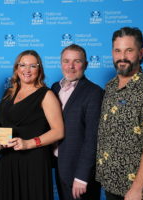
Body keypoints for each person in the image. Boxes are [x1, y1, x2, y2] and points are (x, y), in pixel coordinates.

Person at [96, 27, 143, 200]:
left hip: (136, 191)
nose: (122, 57)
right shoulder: (110, 87)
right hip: (112, 183)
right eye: (118, 50)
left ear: (141, 53)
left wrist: (137, 188)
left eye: (129, 50)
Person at [0, 50, 64, 200]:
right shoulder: (9, 93)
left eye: (32, 66)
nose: (27, 70)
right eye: (23, 65)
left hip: (33, 161)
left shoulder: (46, 95)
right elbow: (3, 125)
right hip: (7, 161)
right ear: (16, 68)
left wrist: (28, 143)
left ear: (39, 69)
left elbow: (58, 131)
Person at [51, 44, 103, 200]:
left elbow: (93, 138)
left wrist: (82, 176)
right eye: (66, 61)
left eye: (77, 61)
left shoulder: (94, 93)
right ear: (61, 63)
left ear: (85, 65)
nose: (71, 66)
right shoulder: (54, 88)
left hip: (79, 174)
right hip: (59, 166)